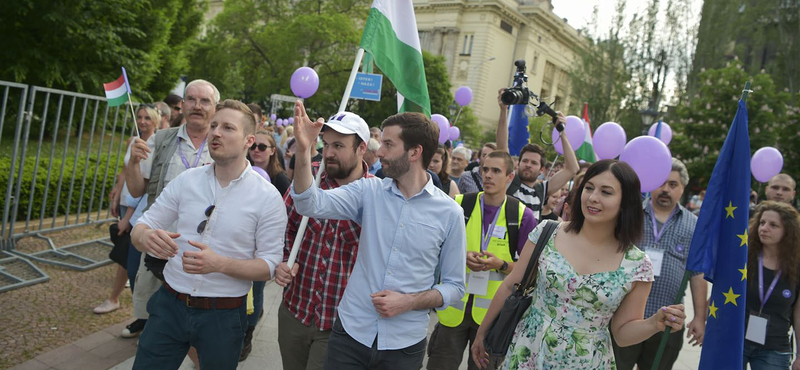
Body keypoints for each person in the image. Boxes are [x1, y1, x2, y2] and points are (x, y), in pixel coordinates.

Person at [290, 101, 466, 370]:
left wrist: (409, 302)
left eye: (388, 145)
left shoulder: (450, 213)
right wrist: (304, 151)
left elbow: (455, 287)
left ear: (415, 152)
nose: (378, 151)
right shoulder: (368, 192)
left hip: (404, 346)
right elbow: (309, 204)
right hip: (350, 335)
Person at [471, 159, 686, 369]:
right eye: (589, 188)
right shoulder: (548, 232)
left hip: (587, 362)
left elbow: (622, 334)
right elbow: (511, 285)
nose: (593, 197)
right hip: (528, 351)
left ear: (625, 202)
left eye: (606, 192)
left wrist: (654, 323)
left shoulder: (637, 265)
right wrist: (483, 331)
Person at [130, 99, 287, 370]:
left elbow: (269, 266)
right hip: (170, 304)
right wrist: (147, 238)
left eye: (227, 128)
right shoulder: (187, 180)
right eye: (214, 125)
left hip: (223, 315)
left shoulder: (267, 197)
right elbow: (142, 226)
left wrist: (220, 264)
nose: (215, 132)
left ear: (249, 140)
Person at [273, 111, 373, 370]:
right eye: (326, 144)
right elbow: (286, 225)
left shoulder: (376, 194)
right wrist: (285, 260)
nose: (328, 153)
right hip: (296, 309)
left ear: (361, 148)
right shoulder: (310, 176)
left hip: (340, 323)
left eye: (338, 146)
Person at [123, 80, 218, 339]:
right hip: (161, 249)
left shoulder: (223, 142)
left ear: (215, 107)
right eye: (191, 99)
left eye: (205, 101)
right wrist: (132, 163)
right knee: (157, 317)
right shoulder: (161, 140)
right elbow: (135, 190)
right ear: (183, 105)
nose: (197, 106)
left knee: (199, 325)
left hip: (204, 253)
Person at [427, 151, 537, 370]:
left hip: (491, 317)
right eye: (484, 169)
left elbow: (532, 270)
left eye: (496, 171)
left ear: (509, 177)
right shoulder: (458, 204)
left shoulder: (522, 215)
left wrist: (501, 265)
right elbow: (432, 249)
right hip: (452, 310)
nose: (488, 175)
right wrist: (460, 257)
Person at [612, 158, 707, 370]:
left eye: (673, 185)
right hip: (626, 318)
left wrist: (700, 317)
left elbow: (698, 274)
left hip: (668, 322)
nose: (665, 189)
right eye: (661, 183)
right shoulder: (630, 216)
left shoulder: (695, 226)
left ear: (682, 188)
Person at [94, 104, 160, 314]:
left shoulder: (157, 144)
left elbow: (145, 187)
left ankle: (128, 304)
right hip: (126, 201)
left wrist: (129, 216)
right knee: (124, 253)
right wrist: (117, 193)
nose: (142, 121)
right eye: (139, 116)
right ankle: (118, 299)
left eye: (147, 118)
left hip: (139, 207)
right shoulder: (132, 140)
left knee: (128, 257)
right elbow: (125, 170)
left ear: (155, 121)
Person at [495, 91, 578, 220]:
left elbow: (572, 168)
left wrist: (562, 132)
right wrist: (503, 110)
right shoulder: (509, 181)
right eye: (525, 161)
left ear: (542, 169)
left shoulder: (542, 190)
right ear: (518, 163)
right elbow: (502, 149)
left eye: (534, 163)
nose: (528, 165)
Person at [742, 201, 800, 370]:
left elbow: (798, 313)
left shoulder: (796, 267)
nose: (764, 228)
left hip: (774, 347)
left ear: (788, 232)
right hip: (736, 340)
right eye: (761, 222)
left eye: (773, 225)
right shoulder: (743, 257)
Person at [249, 130, 290, 195]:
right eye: (253, 146)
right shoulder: (242, 173)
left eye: (262, 147)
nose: (256, 150)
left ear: (272, 151)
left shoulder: (280, 179)